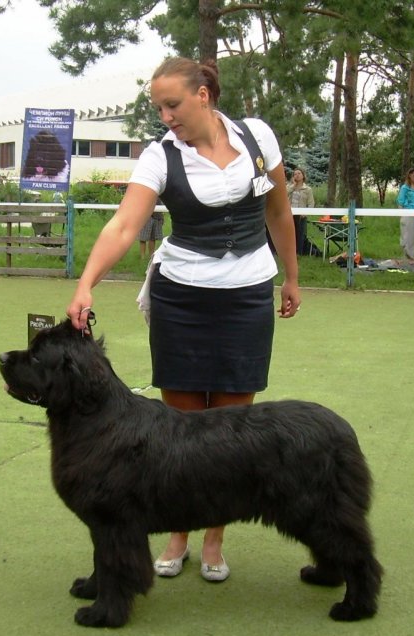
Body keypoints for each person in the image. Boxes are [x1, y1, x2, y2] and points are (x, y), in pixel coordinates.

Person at [66, 56, 300, 583]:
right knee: (181, 426)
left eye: (171, 104)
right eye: (158, 107)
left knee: (232, 429)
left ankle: (215, 539)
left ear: (203, 95)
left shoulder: (257, 138)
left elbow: (279, 211)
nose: (165, 115)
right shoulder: (159, 156)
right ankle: (178, 534)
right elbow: (125, 225)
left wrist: (291, 276)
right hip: (183, 298)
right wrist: (86, 283)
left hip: (246, 295)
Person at [287, 168, 314, 255]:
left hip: (301, 215)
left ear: (303, 176)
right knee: (289, 234)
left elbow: (311, 203)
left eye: (299, 173)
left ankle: (299, 252)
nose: (297, 175)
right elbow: (285, 194)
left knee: (300, 234)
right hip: (290, 214)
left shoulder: (307, 189)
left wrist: (305, 213)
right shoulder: (289, 187)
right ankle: (289, 252)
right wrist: (293, 186)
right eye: (295, 174)